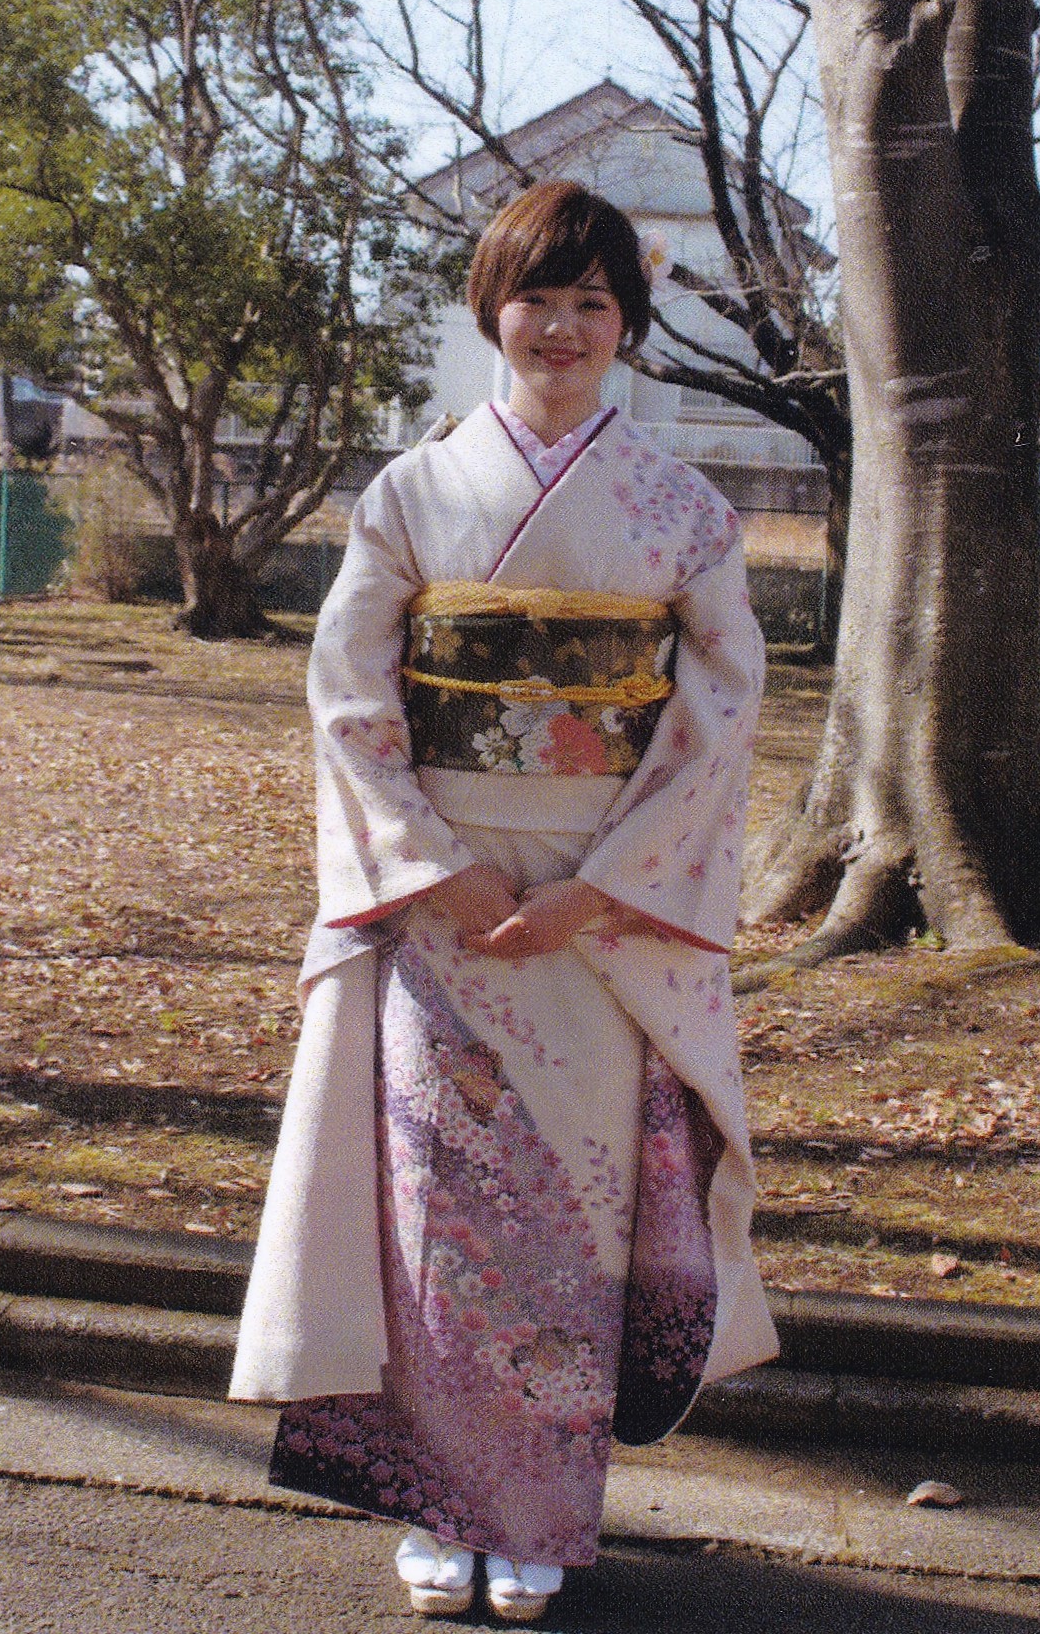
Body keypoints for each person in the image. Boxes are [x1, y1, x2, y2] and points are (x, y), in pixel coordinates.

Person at [229, 180, 779, 1622]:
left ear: (627, 326)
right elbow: (348, 696)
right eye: (537, 297)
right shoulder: (411, 494)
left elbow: (719, 716)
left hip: (596, 914)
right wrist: (432, 861)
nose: (562, 327)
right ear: (491, 310)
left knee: (575, 1218)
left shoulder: (682, 509)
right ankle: (438, 1500)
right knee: (433, 1205)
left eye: (594, 302)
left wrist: (599, 889)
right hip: (442, 903)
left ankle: (531, 1507)